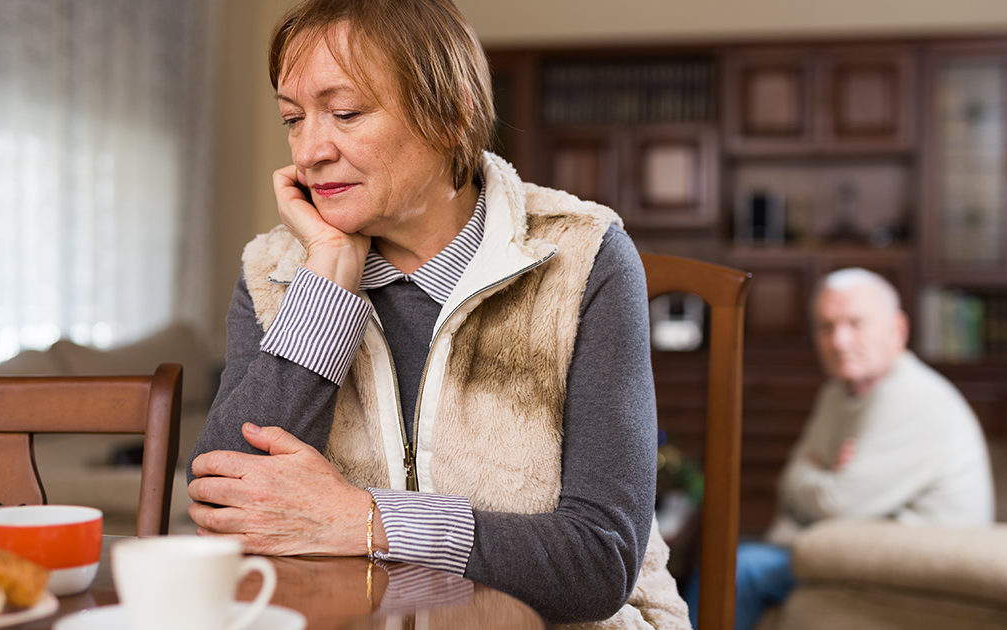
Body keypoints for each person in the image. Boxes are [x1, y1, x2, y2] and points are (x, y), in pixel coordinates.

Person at [186, 0, 690, 627]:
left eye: (345, 113)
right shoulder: (275, 273)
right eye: (294, 118)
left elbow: (598, 563)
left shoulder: (583, 257)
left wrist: (367, 520)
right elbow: (221, 500)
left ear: (449, 115)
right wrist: (326, 283)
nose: (309, 150)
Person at [685, 267, 995, 630]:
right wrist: (821, 477)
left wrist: (819, 473)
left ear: (898, 330)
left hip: (917, 567)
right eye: (826, 326)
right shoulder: (837, 393)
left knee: (736, 568)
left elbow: (834, 504)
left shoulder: (914, 398)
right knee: (721, 555)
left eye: (855, 323)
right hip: (860, 548)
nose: (839, 341)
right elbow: (789, 487)